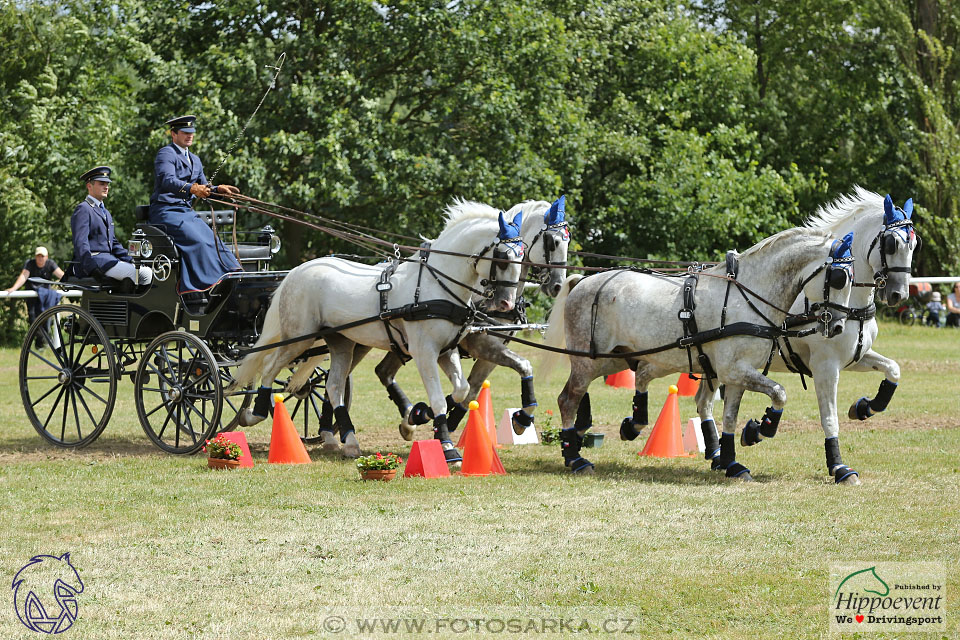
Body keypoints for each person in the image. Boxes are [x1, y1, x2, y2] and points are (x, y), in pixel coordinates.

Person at [149, 114, 242, 294]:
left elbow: (204, 187)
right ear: (173, 134)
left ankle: (234, 275)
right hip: (166, 211)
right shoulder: (166, 153)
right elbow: (167, 180)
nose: (189, 136)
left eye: (191, 132)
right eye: (185, 132)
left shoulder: (196, 160)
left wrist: (218, 190)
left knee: (214, 242)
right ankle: (207, 286)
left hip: (186, 212)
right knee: (200, 242)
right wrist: (192, 189)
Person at [71, 166, 153, 286]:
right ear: (89, 186)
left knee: (147, 270)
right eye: (102, 183)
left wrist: (133, 259)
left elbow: (113, 244)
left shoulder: (106, 213)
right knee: (143, 274)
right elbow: (81, 244)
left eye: (107, 184)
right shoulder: (84, 209)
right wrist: (93, 269)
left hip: (109, 260)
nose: (106, 187)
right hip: (95, 262)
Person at [5, 246, 64, 325]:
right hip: (32, 298)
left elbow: (62, 276)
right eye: (38, 256)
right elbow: (23, 276)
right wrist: (14, 288)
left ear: (46, 257)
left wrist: (73, 283)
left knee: (46, 323)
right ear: (35, 256)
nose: (40, 258)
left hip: (46, 299)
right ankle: (39, 336)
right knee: (33, 321)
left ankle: (44, 337)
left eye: (42, 256)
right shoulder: (30, 263)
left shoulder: (51, 264)